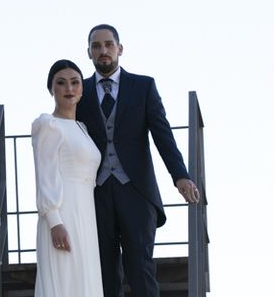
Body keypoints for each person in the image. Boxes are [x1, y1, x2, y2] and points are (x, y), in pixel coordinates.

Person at [76, 24, 200, 297]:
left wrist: (180, 175)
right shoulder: (80, 92)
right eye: (96, 46)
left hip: (137, 190)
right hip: (95, 193)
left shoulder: (143, 86)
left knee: (140, 269)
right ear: (88, 53)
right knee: (104, 274)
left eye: (108, 44)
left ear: (120, 49)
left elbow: (162, 133)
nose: (103, 51)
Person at [31, 59, 103, 296]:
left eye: (75, 82)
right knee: (64, 280)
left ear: (82, 89)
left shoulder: (83, 128)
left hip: (87, 213)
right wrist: (54, 221)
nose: (69, 88)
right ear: (52, 89)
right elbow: (45, 173)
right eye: (61, 83)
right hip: (63, 215)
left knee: (85, 281)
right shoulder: (48, 125)